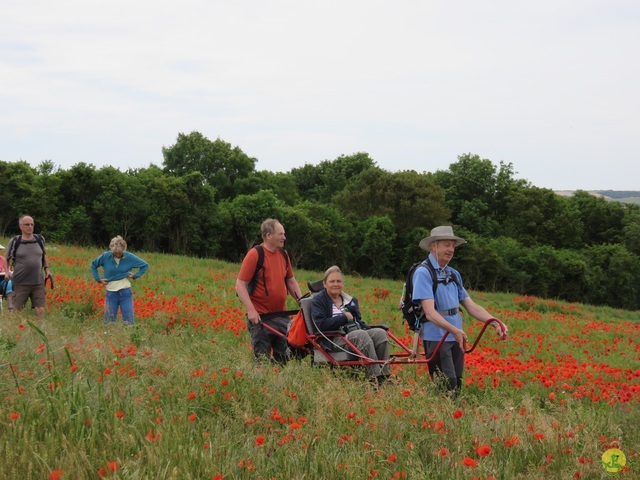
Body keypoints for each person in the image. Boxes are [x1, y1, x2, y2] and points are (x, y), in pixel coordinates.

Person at [412, 225, 508, 396]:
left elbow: (471, 306)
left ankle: (450, 418)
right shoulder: (423, 273)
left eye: (453, 246)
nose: (451, 250)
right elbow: (430, 313)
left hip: (455, 335)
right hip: (436, 337)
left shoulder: (453, 274)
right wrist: (454, 330)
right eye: (446, 245)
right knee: (446, 384)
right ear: (434, 246)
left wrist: (494, 322)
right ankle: (441, 418)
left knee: (457, 382)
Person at [236, 219, 303, 364]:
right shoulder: (255, 254)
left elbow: (291, 281)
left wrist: (302, 302)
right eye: (281, 234)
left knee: (285, 360)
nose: (284, 237)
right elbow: (240, 284)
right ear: (268, 235)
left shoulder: (284, 255)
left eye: (284, 234)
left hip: (282, 317)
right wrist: (251, 310)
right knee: (262, 361)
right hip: (261, 319)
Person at [311, 265, 392, 386]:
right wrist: (343, 318)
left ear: (342, 283)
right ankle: (375, 379)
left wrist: (371, 329)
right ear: (324, 284)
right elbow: (321, 325)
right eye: (332, 281)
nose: (336, 284)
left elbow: (358, 321)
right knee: (361, 335)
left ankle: (385, 375)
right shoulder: (319, 301)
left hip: (353, 332)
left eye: (338, 281)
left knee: (380, 334)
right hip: (333, 338)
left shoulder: (350, 300)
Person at [90, 236, 149, 325]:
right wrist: (98, 279)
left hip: (125, 292)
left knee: (128, 320)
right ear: (111, 249)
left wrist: (135, 275)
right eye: (115, 252)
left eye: (120, 252)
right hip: (111, 292)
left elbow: (145, 265)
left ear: (123, 249)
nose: (117, 254)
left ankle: (129, 337)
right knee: (109, 321)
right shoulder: (105, 256)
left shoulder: (129, 257)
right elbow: (93, 265)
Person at [4, 216, 51, 318]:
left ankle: (40, 329)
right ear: (21, 226)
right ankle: (15, 330)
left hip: (38, 281)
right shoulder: (15, 241)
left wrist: (47, 269)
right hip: (20, 281)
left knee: (40, 308)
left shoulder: (40, 239)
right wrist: (7, 272)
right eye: (27, 224)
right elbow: (6, 258)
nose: (30, 227)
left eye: (32, 224)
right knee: (17, 309)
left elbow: (44, 255)